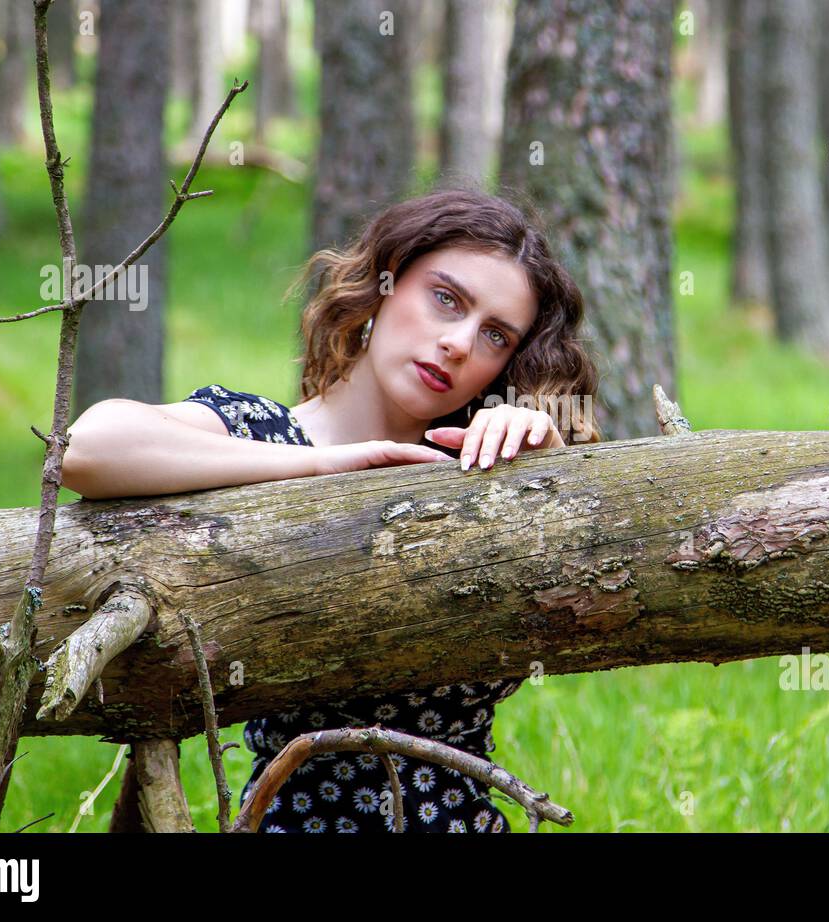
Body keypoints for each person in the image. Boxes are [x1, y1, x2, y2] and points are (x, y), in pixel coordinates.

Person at [62, 187, 602, 832]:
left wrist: (545, 466)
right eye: (445, 299)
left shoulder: (489, 468)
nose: (459, 343)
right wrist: (324, 467)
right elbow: (87, 449)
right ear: (386, 283)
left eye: (495, 335)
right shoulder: (265, 436)